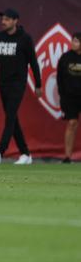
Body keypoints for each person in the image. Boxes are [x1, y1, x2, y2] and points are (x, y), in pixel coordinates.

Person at [0, 8, 41, 166]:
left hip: (17, 83)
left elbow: (33, 62)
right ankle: (25, 153)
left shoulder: (25, 38)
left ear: (15, 21)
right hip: (2, 83)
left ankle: (0, 151)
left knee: (10, 115)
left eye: (6, 19)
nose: (3, 22)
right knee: (13, 118)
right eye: (2, 19)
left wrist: (38, 85)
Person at [57, 33, 81, 164]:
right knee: (72, 123)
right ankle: (67, 157)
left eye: (76, 41)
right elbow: (59, 79)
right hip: (70, 98)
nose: (73, 43)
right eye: (73, 41)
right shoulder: (65, 58)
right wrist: (62, 96)